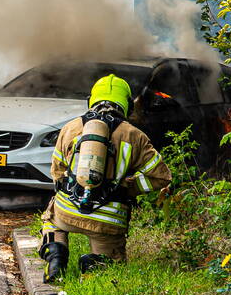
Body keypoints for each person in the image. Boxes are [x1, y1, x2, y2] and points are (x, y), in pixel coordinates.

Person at [40, 74, 171, 281]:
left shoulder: (70, 127)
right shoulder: (134, 136)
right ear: (128, 105)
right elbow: (161, 177)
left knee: (51, 218)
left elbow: (57, 172)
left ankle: (56, 254)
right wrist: (128, 187)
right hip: (108, 220)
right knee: (110, 264)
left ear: (90, 101)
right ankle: (94, 266)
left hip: (67, 213)